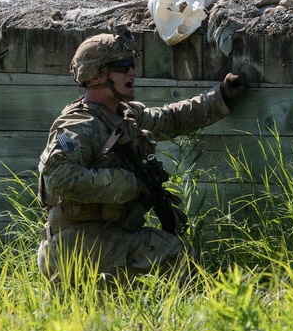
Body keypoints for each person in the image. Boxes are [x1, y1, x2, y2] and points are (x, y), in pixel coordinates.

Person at [37, 32, 247, 283]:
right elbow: (58, 177)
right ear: (97, 74)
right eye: (123, 67)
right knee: (178, 258)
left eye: (132, 65)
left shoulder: (124, 115)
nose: (132, 72)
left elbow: (171, 118)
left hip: (104, 236)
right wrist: (128, 184)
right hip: (74, 245)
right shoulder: (79, 124)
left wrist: (221, 96)